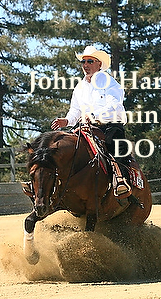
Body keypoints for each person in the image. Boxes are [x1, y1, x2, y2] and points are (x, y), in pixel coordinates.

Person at [51, 46, 131, 198]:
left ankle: (121, 181)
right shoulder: (79, 87)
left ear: (99, 64)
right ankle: (52, 185)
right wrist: (66, 121)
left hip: (110, 125)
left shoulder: (109, 82)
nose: (85, 65)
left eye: (90, 61)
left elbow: (114, 105)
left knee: (114, 146)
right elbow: (75, 111)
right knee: (65, 146)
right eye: (83, 62)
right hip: (87, 128)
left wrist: (93, 115)